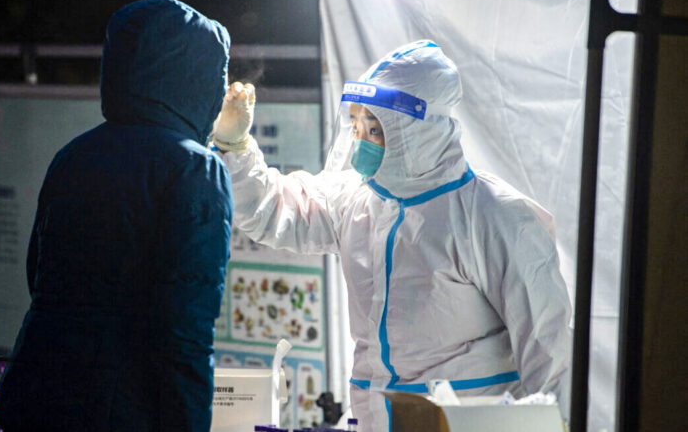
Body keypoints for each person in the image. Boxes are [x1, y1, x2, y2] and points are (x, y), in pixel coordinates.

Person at [211, 40, 572, 430]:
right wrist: (235, 146)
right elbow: (273, 210)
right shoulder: (356, 200)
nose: (360, 143)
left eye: (375, 130)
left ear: (419, 132)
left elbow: (550, 358)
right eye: (355, 127)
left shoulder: (495, 217)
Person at [0, 0, 233, 431]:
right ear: (199, 77)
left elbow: (39, 277)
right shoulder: (195, 167)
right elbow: (186, 328)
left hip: (32, 393)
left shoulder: (75, 154)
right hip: (122, 408)